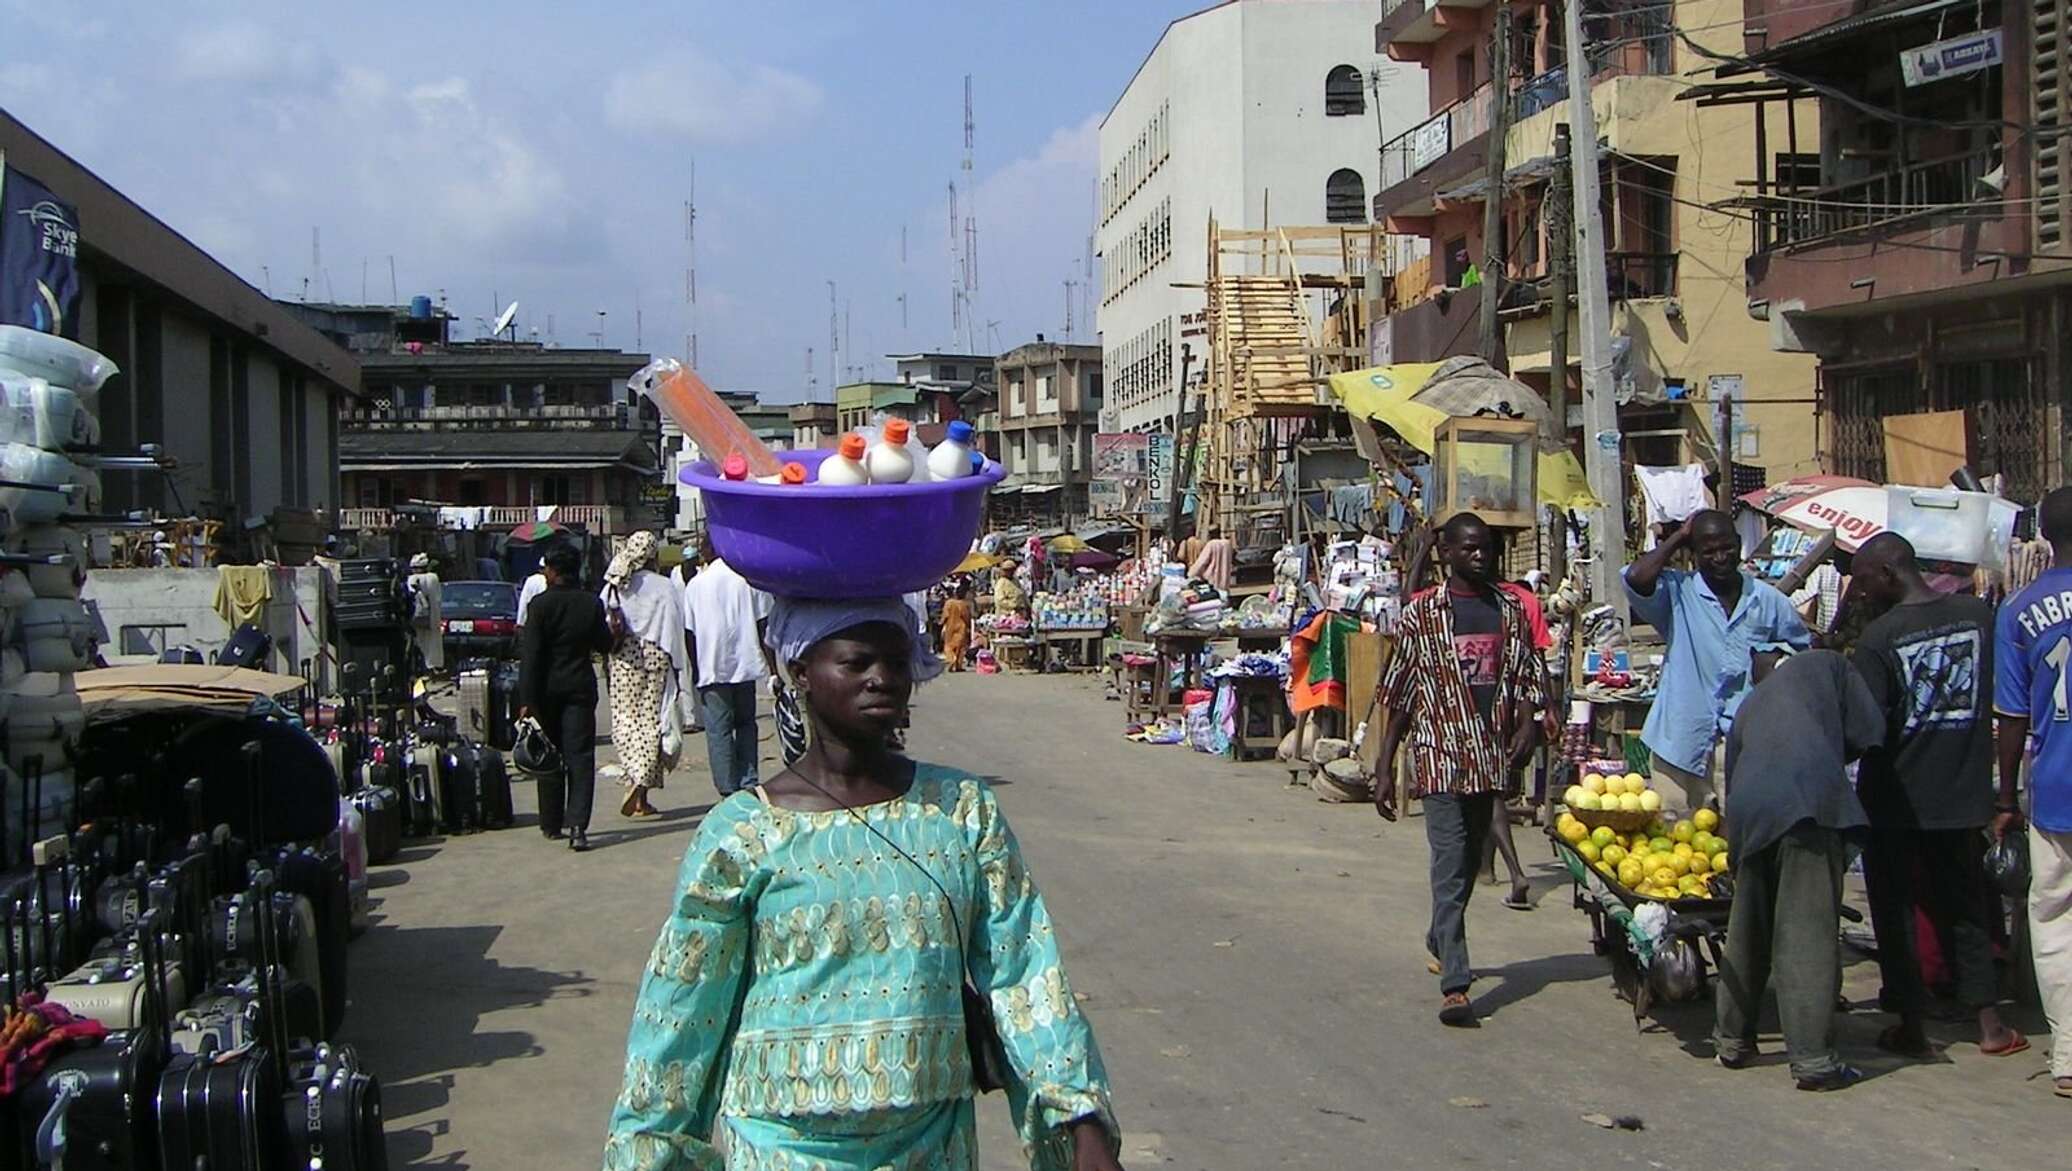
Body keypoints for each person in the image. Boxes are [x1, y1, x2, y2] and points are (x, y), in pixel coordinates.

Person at [604, 598, 1123, 1170]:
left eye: (896, 662)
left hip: (932, 1143)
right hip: (782, 1144)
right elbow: (683, 1010)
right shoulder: (745, 833)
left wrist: (1080, 1119)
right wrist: (650, 1149)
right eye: (856, 663)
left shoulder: (961, 811)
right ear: (800, 671)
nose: (883, 679)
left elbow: (1023, 971)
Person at [1848, 532, 2024, 1060]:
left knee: (1896, 911)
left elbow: (1865, 724)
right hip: (1963, 795)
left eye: (1860, 579)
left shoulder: (1880, 640)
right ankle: (1990, 1025)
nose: (1856, 589)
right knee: (1968, 908)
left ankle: (1911, 1025)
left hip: (1895, 799)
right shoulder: (1978, 616)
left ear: (1886, 572)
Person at [1375, 512, 1545, 1026]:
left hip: (1488, 757)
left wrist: (1527, 726)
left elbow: (1525, 677)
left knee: (1471, 860)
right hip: (1439, 755)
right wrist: (1385, 764)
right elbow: (1400, 696)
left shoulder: (1510, 610)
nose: (1479, 556)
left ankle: (1438, 935)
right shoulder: (1421, 617)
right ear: (1445, 553)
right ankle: (1456, 983)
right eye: (1468, 548)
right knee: (1448, 863)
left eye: (1485, 548)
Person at [1713, 648, 1882, 1090]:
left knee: (1747, 930)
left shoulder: (1749, 706)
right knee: (1806, 933)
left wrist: (1737, 853)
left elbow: (1733, 784)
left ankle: (1732, 1040)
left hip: (1751, 813)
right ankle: (1814, 1061)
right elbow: (1871, 731)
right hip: (1806, 803)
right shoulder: (1831, 663)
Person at [1624, 509, 1812, 810]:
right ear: (1694, 554)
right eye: (1708, 551)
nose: (1720, 557)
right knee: (1675, 844)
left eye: (1727, 548)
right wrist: (1679, 536)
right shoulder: (1678, 592)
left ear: (1739, 544)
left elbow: (1801, 655)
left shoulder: (1769, 601)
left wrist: (1773, 660)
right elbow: (1636, 578)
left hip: (1743, 747)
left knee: (1736, 843)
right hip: (1680, 744)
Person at [1993, 485, 2072, 1099]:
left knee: (2054, 920)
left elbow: (2012, 717)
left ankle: (2068, 1056)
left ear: (2043, 536)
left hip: (2054, 790)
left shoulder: (2019, 609)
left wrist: (2004, 798)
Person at [518, 544, 613, 852]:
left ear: (553, 571)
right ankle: (578, 827)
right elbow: (604, 644)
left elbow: (530, 657)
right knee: (580, 757)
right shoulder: (591, 604)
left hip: (546, 692)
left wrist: (526, 699)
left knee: (548, 755)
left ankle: (551, 822)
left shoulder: (540, 606)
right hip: (580, 689)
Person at [602, 532, 689, 820]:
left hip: (623, 658)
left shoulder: (615, 584)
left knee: (626, 720)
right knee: (653, 721)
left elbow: (601, 619)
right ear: (653, 555)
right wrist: (679, 664)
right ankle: (641, 787)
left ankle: (635, 781)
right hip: (656, 657)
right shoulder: (663, 586)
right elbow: (676, 625)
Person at [681, 537, 776, 796]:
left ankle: (726, 787)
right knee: (746, 724)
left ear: (708, 552)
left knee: (718, 729)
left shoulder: (696, 585)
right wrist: (773, 670)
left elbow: (689, 632)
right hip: (744, 664)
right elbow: (762, 626)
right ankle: (748, 779)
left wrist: (696, 668)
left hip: (711, 665)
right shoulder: (748, 581)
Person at [405, 551, 445, 674]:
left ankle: (419, 666)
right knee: (433, 642)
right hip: (433, 617)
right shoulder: (433, 578)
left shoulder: (410, 580)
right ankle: (433, 666)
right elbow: (438, 599)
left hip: (416, 616)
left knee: (418, 641)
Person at [1189, 526, 1236, 592]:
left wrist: (1191, 573)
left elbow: (1202, 562)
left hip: (1212, 580)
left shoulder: (1211, 544)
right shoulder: (1227, 544)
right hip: (1225, 580)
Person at [941, 581, 974, 671]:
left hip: (950, 627)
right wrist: (969, 628)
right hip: (961, 627)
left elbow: (945, 616)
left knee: (949, 646)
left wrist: (941, 623)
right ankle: (958, 665)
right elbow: (967, 617)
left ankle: (951, 659)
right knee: (960, 647)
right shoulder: (963, 604)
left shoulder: (949, 603)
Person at [515, 555, 549, 627]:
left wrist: (520, 622)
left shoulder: (531, 580)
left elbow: (524, 602)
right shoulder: (552, 580)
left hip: (532, 622)